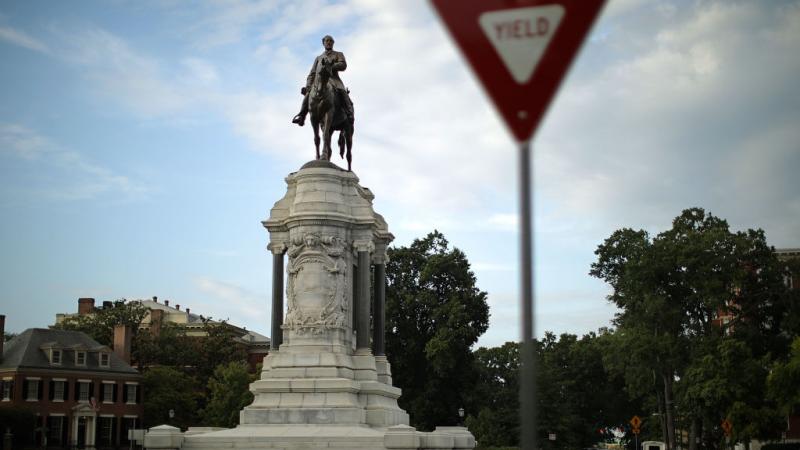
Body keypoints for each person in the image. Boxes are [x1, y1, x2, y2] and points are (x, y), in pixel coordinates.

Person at [292, 35, 354, 127]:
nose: (328, 42)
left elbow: (343, 65)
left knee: (343, 92)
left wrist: (330, 67)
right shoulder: (318, 58)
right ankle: (301, 116)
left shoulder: (338, 54)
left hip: (334, 80)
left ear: (333, 43)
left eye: (330, 41)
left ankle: (349, 114)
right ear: (323, 43)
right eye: (327, 41)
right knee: (309, 94)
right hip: (319, 81)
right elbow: (312, 73)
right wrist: (308, 86)